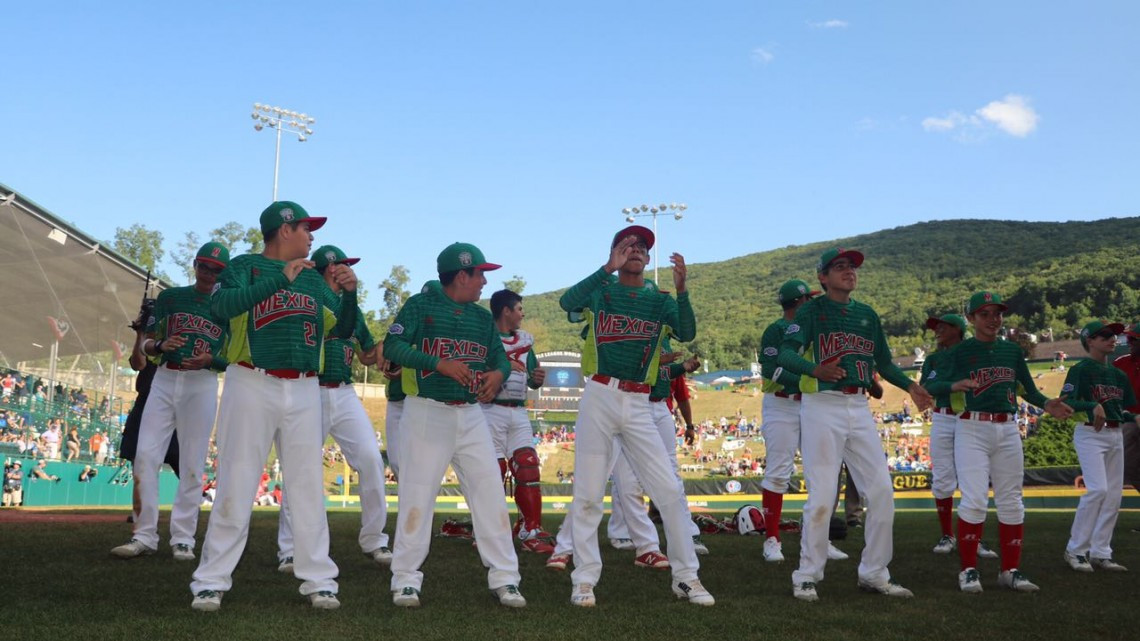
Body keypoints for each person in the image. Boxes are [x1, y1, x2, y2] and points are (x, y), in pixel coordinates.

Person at [190, 201, 357, 612]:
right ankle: (210, 581)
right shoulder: (245, 266)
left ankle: (319, 578)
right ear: (284, 230)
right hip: (252, 379)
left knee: (306, 487)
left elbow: (344, 329)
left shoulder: (316, 281)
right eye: (306, 228)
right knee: (237, 480)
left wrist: (351, 296)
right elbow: (220, 307)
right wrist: (279, 280)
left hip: (304, 387)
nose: (311, 236)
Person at [557, 225, 713, 607]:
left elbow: (687, 330)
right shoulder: (601, 290)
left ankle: (687, 577)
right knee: (589, 495)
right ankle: (584, 580)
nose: (637, 249)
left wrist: (682, 289)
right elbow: (566, 303)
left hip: (641, 403)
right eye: (628, 245)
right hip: (599, 395)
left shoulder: (658, 299)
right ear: (614, 253)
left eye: (643, 246)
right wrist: (605, 268)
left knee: (670, 491)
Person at [777, 247, 933, 602]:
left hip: (858, 406)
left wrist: (911, 387)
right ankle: (806, 574)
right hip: (822, 405)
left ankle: (875, 573)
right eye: (840, 267)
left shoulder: (866, 315)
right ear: (823, 277)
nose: (850, 272)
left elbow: (885, 362)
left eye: (853, 267)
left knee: (881, 493)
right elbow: (786, 354)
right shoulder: (812, 311)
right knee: (821, 497)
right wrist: (814, 369)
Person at [382, 242, 524, 609]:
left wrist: (497, 373)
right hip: (427, 411)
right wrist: (437, 363)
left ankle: (506, 578)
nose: (484, 280)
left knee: (490, 494)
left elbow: (500, 360)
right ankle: (406, 580)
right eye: (479, 273)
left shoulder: (480, 319)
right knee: (417, 496)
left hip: (471, 414)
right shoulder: (421, 305)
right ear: (462, 274)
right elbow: (393, 347)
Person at [925, 291, 1072, 593]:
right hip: (971, 427)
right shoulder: (959, 351)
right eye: (985, 314)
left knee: (1011, 501)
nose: (993, 319)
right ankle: (968, 570)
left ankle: (1010, 570)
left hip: (1007, 429)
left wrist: (1046, 404)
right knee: (976, 500)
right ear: (971, 319)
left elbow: (1027, 389)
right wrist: (954, 384)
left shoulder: (1012, 352)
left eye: (998, 313)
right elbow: (930, 385)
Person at [111, 242, 230, 562]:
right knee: (145, 456)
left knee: (192, 463)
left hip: (202, 383)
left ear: (224, 274)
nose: (208, 273)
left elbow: (233, 358)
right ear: (194, 265)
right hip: (164, 379)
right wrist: (161, 344)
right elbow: (147, 345)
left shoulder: (228, 308)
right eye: (204, 266)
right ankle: (144, 534)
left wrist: (211, 361)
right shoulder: (171, 298)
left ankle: (183, 538)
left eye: (216, 269)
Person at [277, 245, 392, 570]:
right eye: (343, 265)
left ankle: (374, 539)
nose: (348, 270)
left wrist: (387, 346)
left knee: (371, 459)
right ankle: (288, 547)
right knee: (297, 469)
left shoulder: (349, 306)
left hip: (342, 392)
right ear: (329, 268)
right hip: (308, 389)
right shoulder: (308, 299)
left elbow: (367, 354)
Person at [920, 313, 999, 560]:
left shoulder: (972, 351)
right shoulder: (933, 358)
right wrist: (951, 385)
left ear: (958, 329)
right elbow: (927, 388)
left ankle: (973, 538)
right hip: (943, 417)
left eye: (943, 326)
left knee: (972, 481)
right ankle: (948, 534)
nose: (938, 330)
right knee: (943, 477)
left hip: (970, 416)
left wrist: (946, 383)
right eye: (936, 327)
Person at [483, 289, 553, 554]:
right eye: (520, 309)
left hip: (519, 411)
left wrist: (537, 378)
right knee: (494, 472)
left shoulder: (525, 342)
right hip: (489, 410)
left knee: (528, 465)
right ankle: (490, 531)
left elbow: (532, 380)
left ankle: (530, 528)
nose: (523, 314)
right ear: (506, 311)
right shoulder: (485, 337)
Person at [1061, 320, 1133, 572]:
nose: (1111, 338)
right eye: (1103, 335)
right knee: (1098, 490)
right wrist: (1090, 405)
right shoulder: (1080, 369)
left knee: (1114, 495)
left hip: (1115, 434)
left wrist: (1132, 417)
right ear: (1089, 340)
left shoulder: (1118, 374)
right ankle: (1075, 550)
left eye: (1113, 334)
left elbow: (1121, 408)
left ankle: (1101, 552)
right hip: (1090, 433)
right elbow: (1066, 403)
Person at [758, 279, 818, 563]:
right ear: (801, 302)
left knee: (821, 472)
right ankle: (771, 539)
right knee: (779, 471)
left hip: (810, 404)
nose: (813, 304)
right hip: (781, 404)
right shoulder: (776, 329)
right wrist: (808, 379)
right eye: (810, 299)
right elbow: (771, 369)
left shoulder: (814, 329)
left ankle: (819, 538)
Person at [1111, 322, 1140, 533]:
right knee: (1130, 468)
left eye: (1132, 339)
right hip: (1129, 421)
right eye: (1128, 339)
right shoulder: (1120, 363)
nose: (1128, 342)